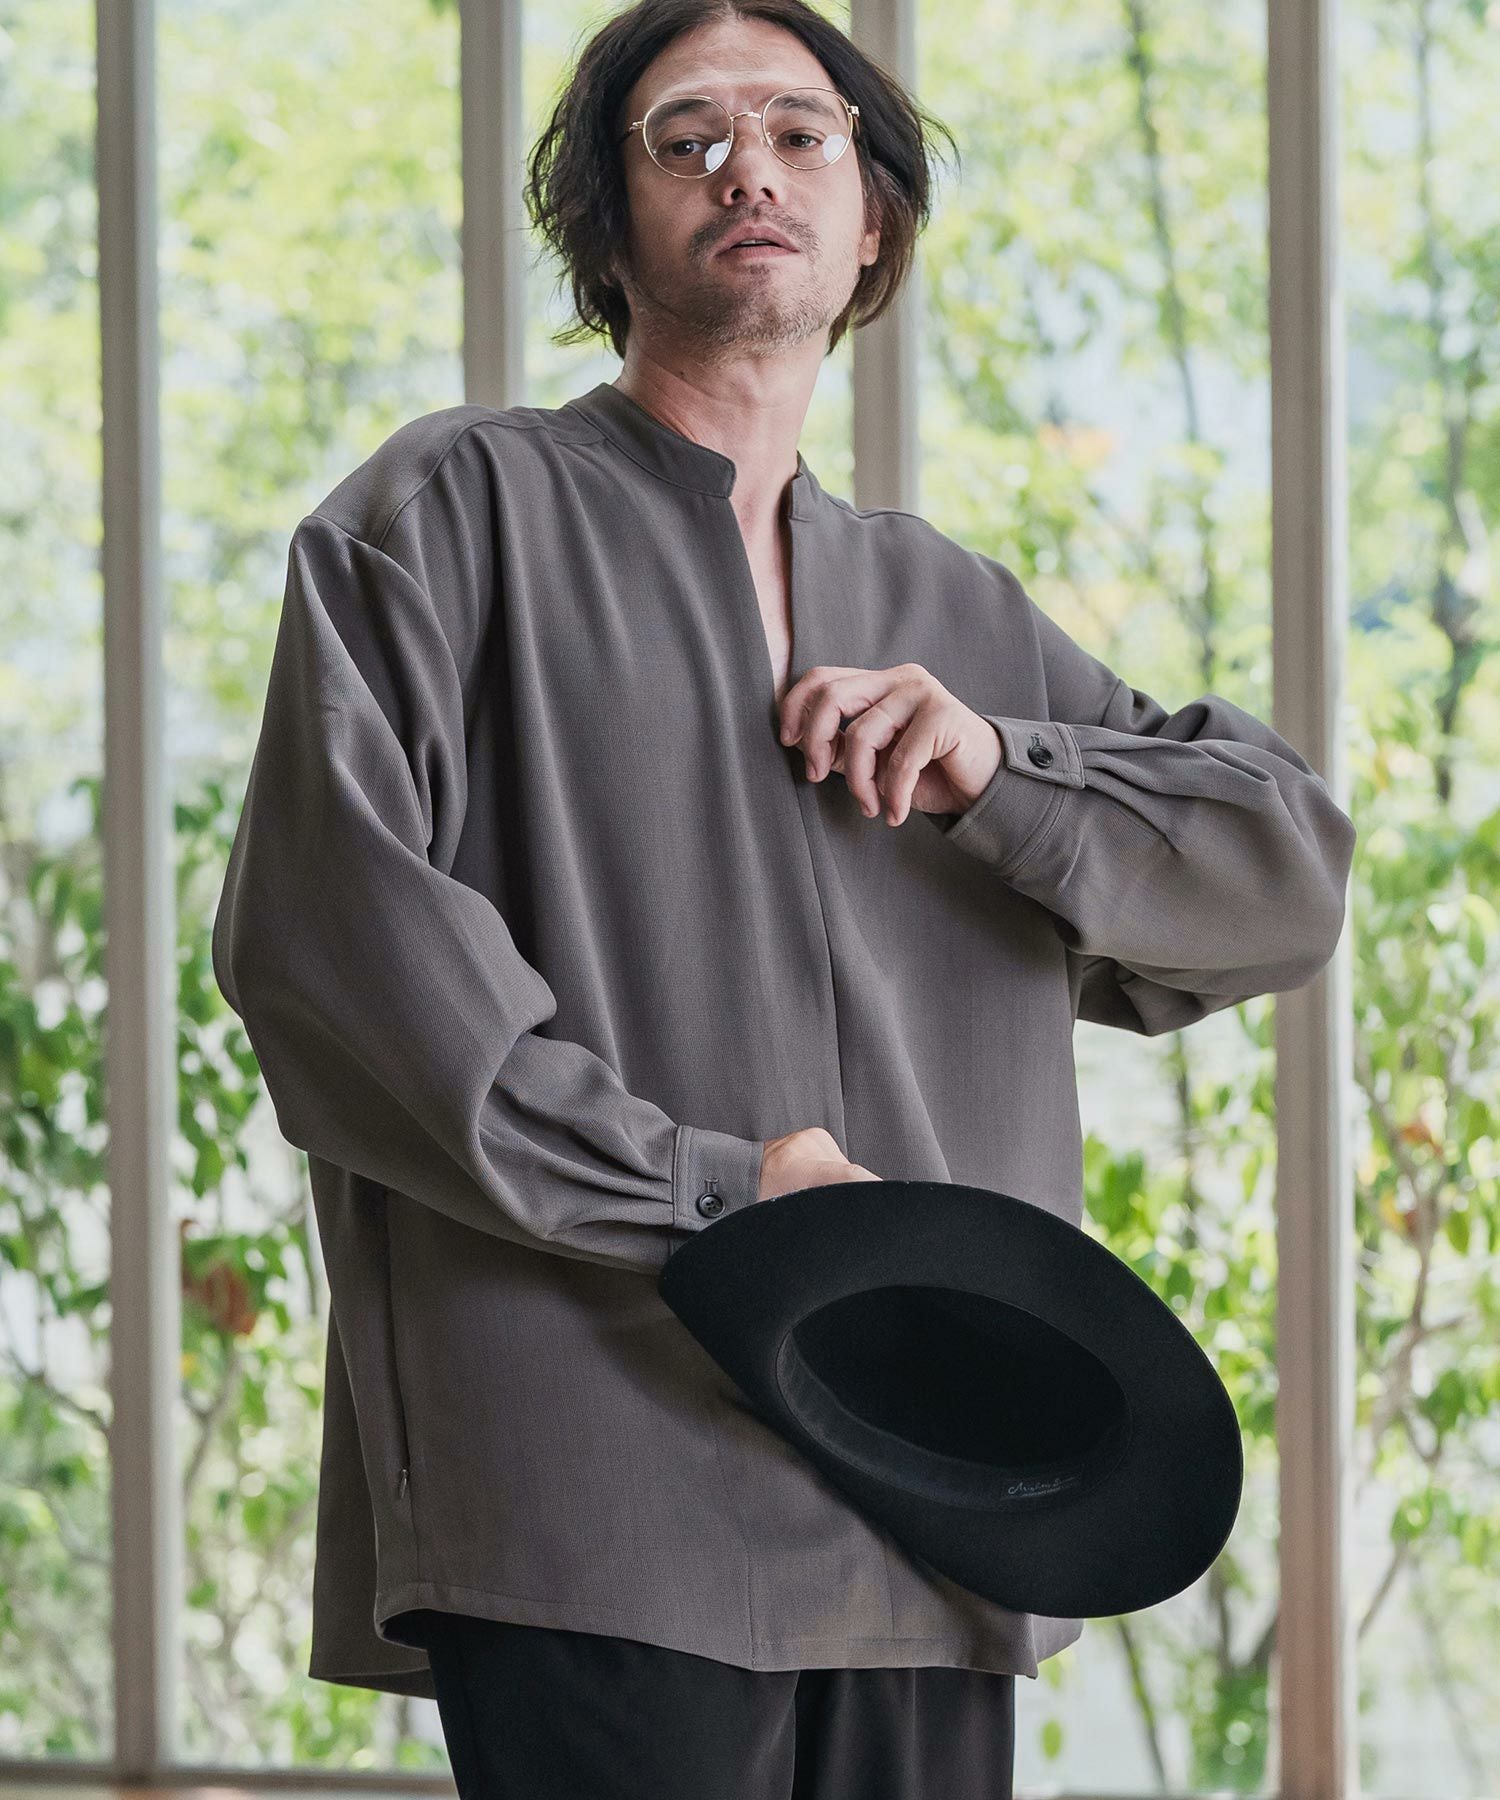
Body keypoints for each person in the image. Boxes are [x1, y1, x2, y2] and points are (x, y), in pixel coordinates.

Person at [211, 0, 1357, 1793]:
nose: (750, 167)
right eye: (688, 139)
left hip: (936, 1487)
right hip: (598, 1489)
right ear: (608, 232)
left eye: (802, 134)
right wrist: (718, 1190)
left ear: (872, 221)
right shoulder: (451, 512)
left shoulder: (957, 614)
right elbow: (329, 955)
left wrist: (1002, 772)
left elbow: (1282, 875)